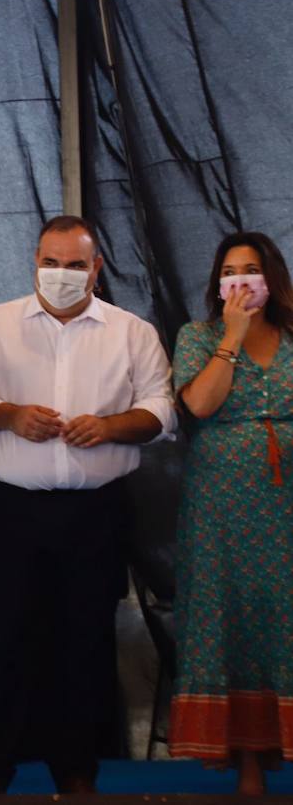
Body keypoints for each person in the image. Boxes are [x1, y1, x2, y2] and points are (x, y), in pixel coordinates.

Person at [0, 215, 177, 794]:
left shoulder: (130, 331)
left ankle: (77, 773)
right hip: (7, 510)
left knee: (87, 643)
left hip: (95, 514)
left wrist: (114, 426)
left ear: (96, 268)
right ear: (35, 262)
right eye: (52, 262)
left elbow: (162, 410)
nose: (62, 274)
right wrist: (10, 415)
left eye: (75, 264)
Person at [168, 232, 293, 796]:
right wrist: (235, 337)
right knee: (233, 622)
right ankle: (246, 761)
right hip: (223, 508)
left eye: (252, 268)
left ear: (274, 278)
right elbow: (198, 404)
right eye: (229, 270)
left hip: (286, 506)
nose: (240, 279)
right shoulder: (198, 336)